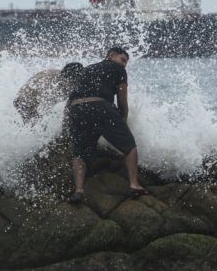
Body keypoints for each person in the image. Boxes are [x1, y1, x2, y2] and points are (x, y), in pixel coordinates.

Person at [65, 47, 147, 204]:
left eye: (126, 63)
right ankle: (134, 184)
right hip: (99, 107)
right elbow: (122, 100)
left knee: (79, 154)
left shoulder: (86, 69)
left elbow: (71, 97)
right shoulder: (118, 69)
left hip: (76, 110)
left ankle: (79, 191)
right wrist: (123, 119)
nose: (124, 65)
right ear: (111, 55)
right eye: (123, 60)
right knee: (130, 146)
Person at [14, 62, 84, 123]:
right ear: (64, 79)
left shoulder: (72, 79)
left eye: (77, 82)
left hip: (37, 100)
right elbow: (42, 109)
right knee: (33, 124)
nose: (75, 86)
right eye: (73, 83)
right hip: (23, 101)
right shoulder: (50, 84)